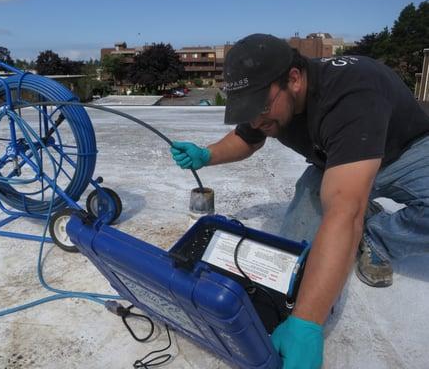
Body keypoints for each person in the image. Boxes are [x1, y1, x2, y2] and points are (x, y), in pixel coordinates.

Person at [170, 33, 429, 369]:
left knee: (345, 218)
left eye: (261, 108)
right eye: (247, 112)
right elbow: (248, 138)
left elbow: (344, 211)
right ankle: (360, 213)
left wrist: (306, 325)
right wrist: (207, 155)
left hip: (404, 154)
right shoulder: (268, 104)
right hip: (336, 165)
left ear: (294, 79)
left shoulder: (353, 90)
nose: (256, 121)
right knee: (294, 263)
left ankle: (375, 235)